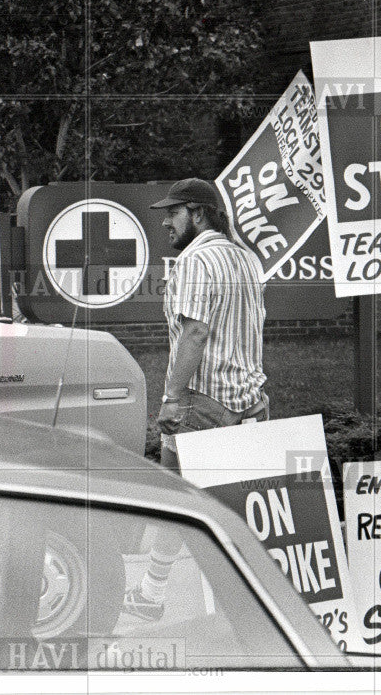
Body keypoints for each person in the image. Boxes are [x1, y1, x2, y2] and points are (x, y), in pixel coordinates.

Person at [123, 178, 268, 620]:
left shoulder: (193, 261)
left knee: (177, 504)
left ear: (199, 213)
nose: (165, 221)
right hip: (251, 401)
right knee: (241, 509)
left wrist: (171, 397)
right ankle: (249, 600)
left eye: (174, 212)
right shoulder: (247, 258)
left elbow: (196, 331)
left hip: (202, 405)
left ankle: (159, 595)